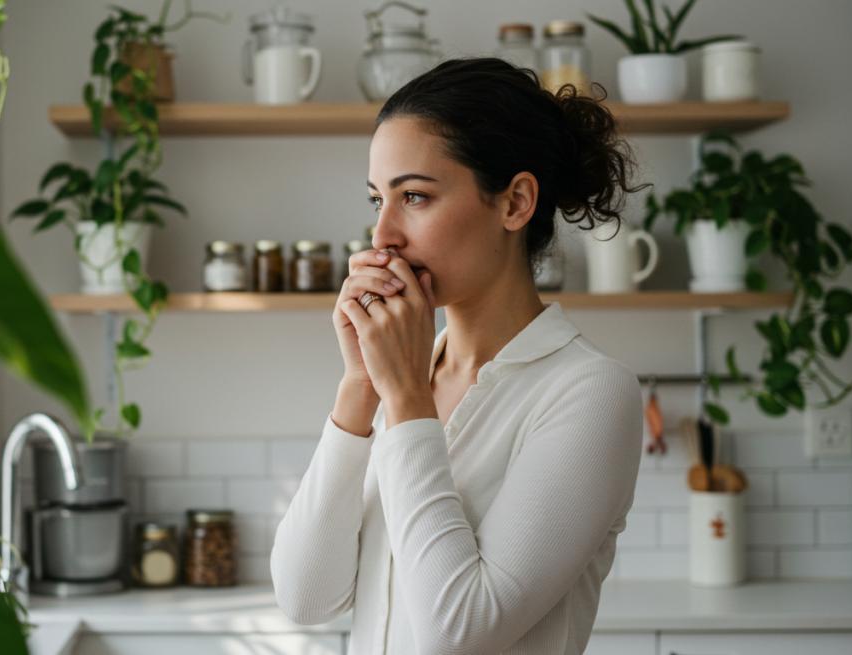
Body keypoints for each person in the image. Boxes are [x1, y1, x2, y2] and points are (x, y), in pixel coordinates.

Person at [271, 58, 650, 654]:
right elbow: (305, 597)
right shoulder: (404, 376)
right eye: (378, 200)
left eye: (415, 196)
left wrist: (405, 399)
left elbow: (459, 631)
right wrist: (360, 386)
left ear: (515, 203)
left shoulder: (590, 392)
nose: (382, 236)